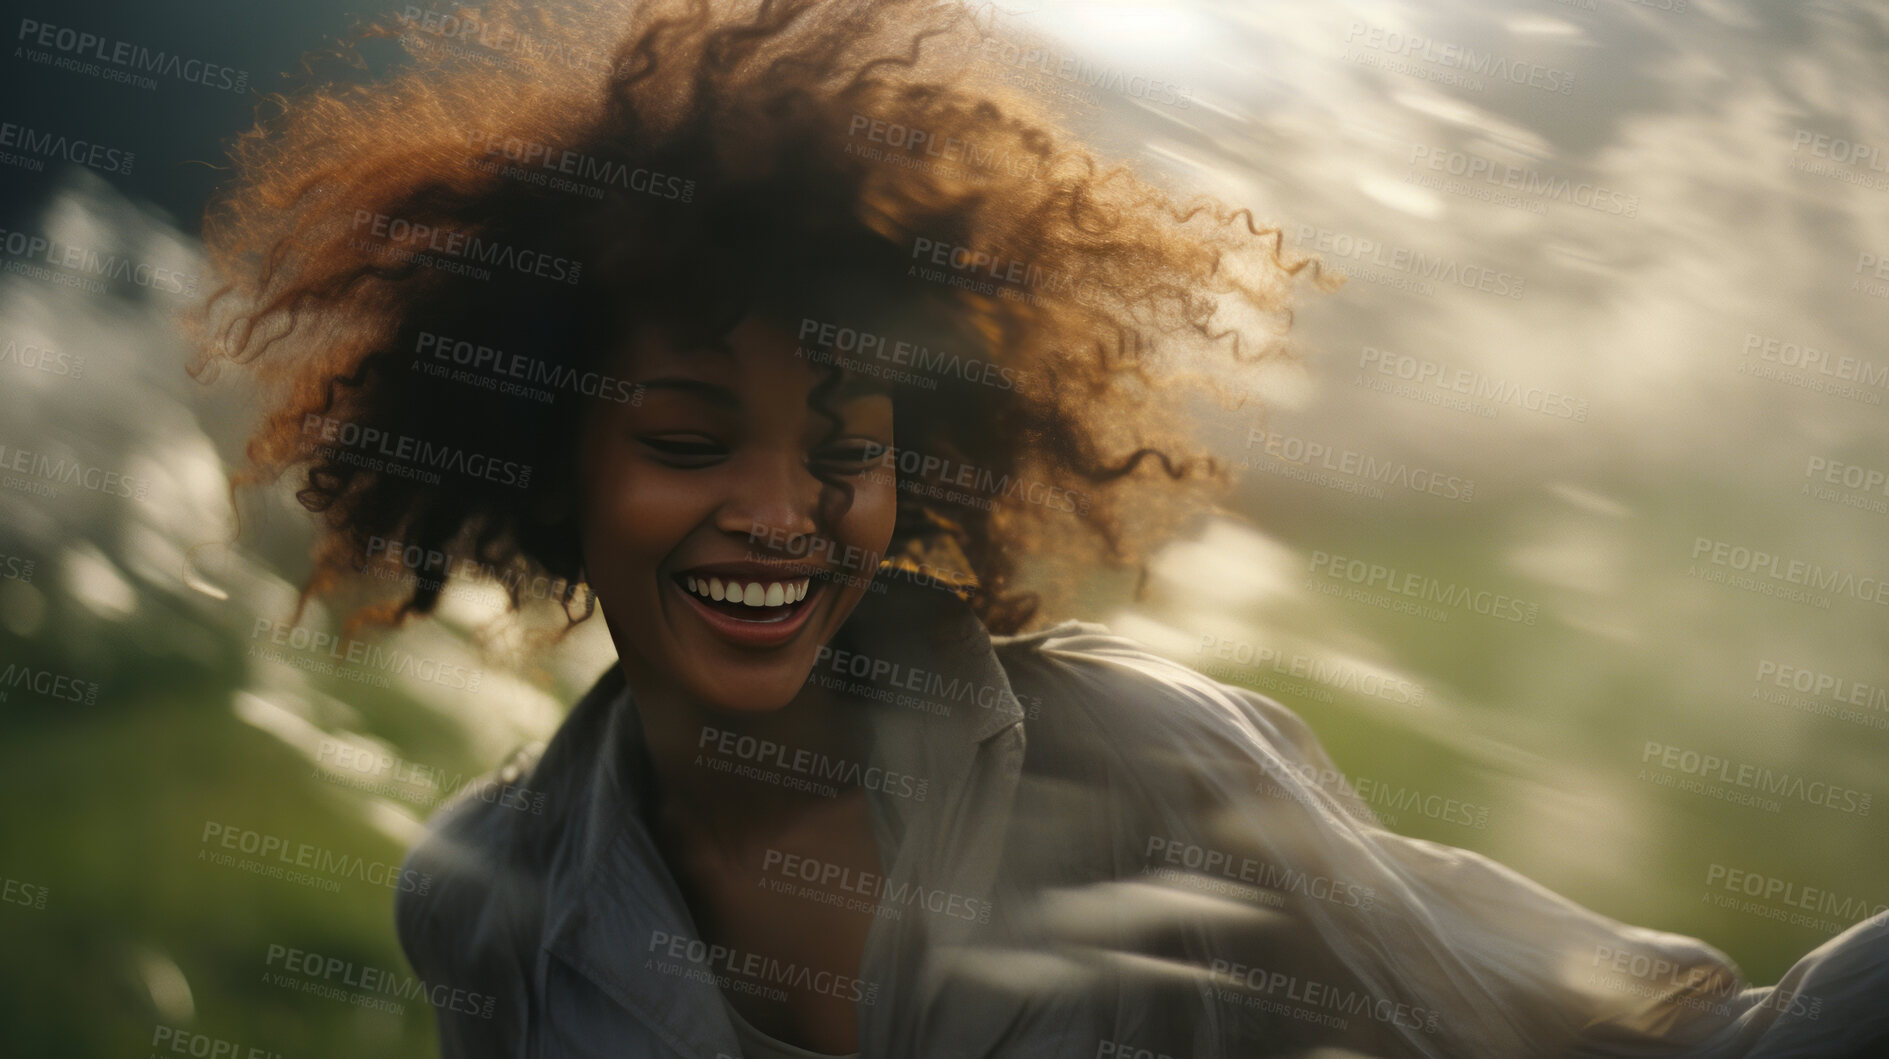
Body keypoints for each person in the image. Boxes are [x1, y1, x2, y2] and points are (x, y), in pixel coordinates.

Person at [192, 0, 1889, 1055]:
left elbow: (1653, 1045)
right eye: (691, 439)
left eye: (842, 448)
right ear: (546, 451)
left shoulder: (1156, 767)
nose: (782, 513)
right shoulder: (480, 897)